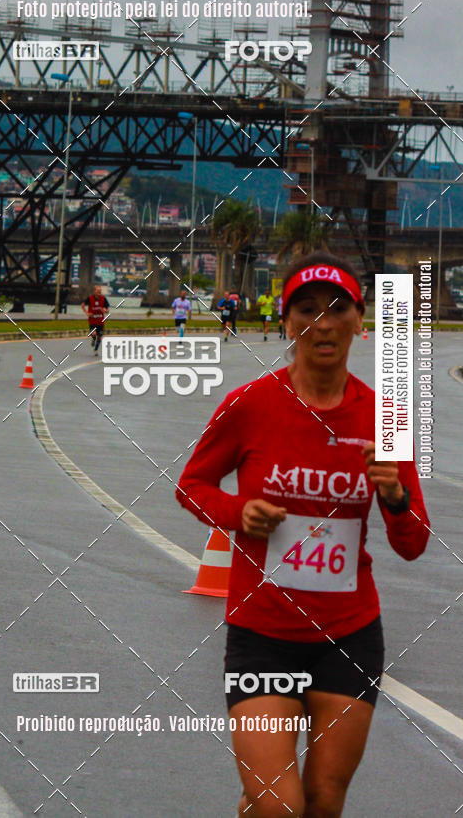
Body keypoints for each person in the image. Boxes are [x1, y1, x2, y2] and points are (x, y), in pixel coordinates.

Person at [176, 252, 429, 818]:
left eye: (339, 309)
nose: (324, 322)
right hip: (263, 635)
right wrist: (239, 512)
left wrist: (395, 496)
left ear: (360, 322)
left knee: (321, 801)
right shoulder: (250, 404)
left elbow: (413, 543)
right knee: (279, 806)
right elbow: (192, 486)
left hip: (349, 636)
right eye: (307, 309)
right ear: (286, 321)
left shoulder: (384, 418)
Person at [82, 284, 110, 355]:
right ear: (94, 291)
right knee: (94, 333)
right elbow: (82, 305)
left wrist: (105, 311)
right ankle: (93, 339)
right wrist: (87, 313)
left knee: (100, 337)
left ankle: (96, 350)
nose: (99, 292)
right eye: (98, 291)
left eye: (100, 291)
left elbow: (107, 310)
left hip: (100, 321)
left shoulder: (103, 298)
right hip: (92, 320)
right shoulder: (90, 298)